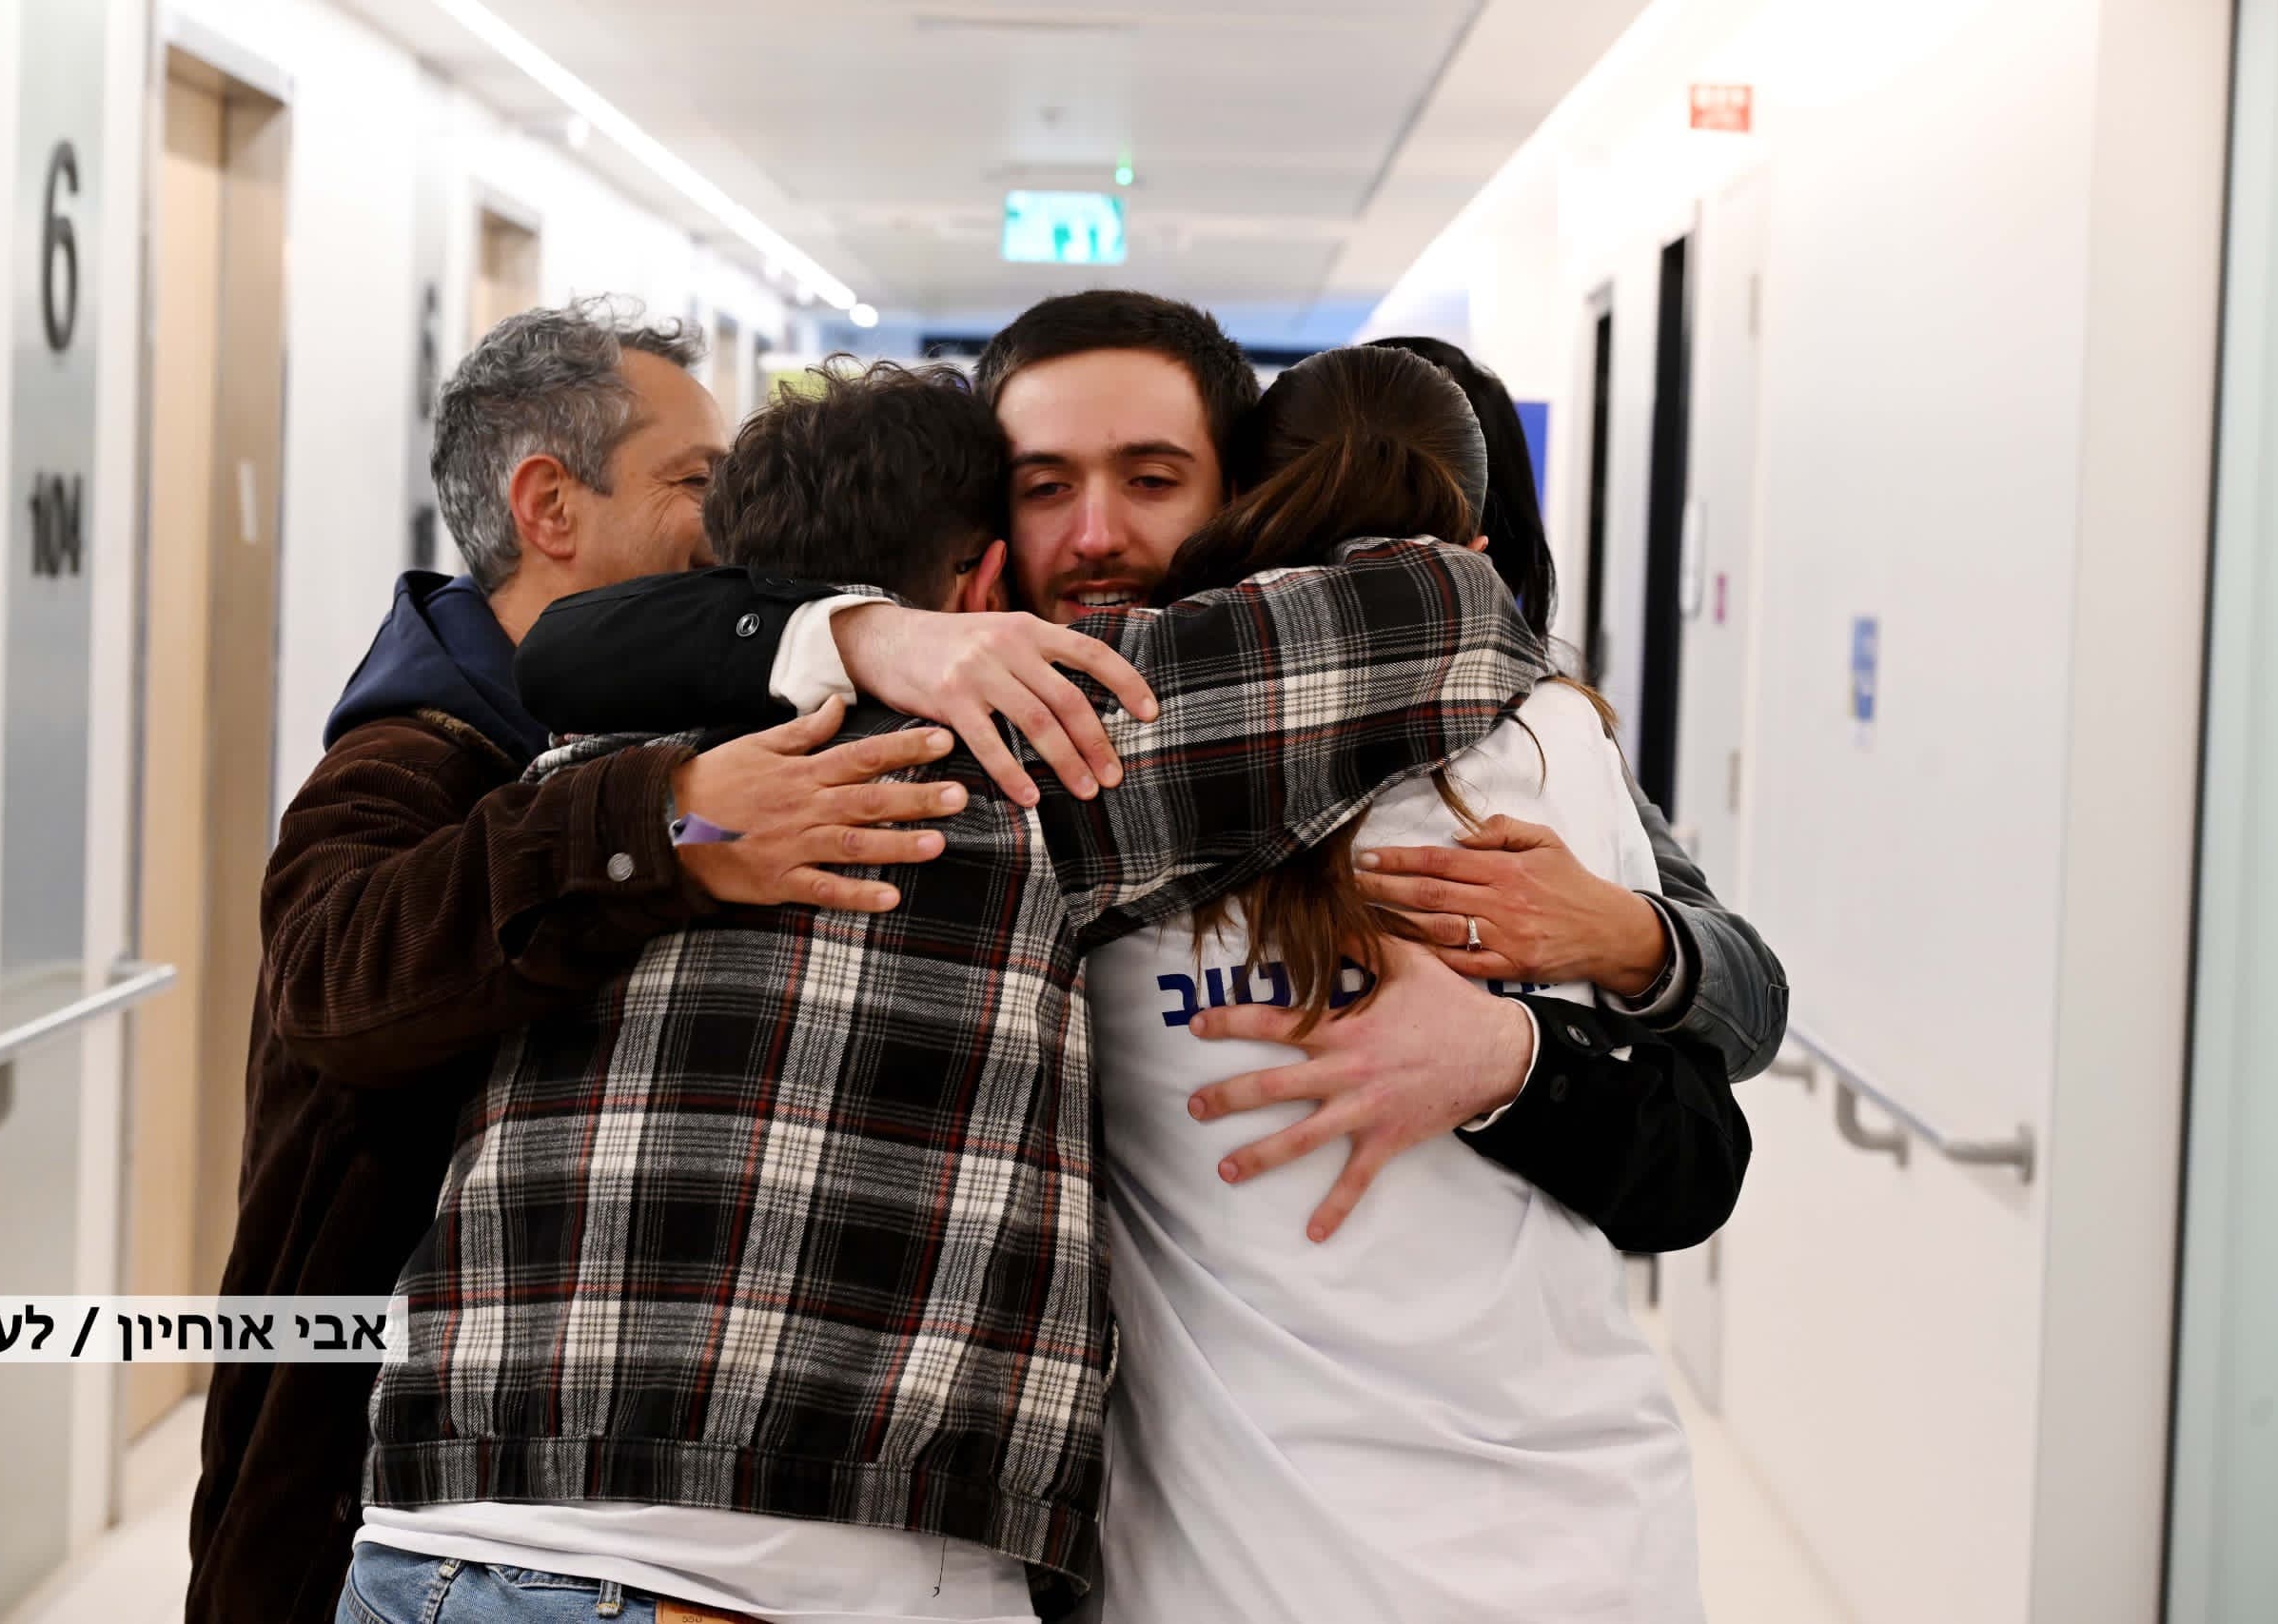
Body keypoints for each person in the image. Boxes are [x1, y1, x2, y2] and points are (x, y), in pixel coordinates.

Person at [343, 360, 1565, 1624]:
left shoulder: (573, 777)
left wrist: (835, 632)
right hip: (756, 1574)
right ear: (987, 585)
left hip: (428, 1536)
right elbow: (1448, 613)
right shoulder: (1003, 759)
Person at [187, 302, 1140, 1624]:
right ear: (549, 504)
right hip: (391, 1501)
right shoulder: (421, 750)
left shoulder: (683, 715)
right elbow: (340, 980)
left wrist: (840, 640)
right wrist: (677, 821)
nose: (729, 523)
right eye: (694, 480)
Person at [519, 291, 1779, 1245]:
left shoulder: (1463, 722)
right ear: (984, 524)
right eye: (1046, 484)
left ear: (1244, 495)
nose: (1100, 531)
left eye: (1154, 478)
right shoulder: (923, 744)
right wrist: (857, 639)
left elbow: (1714, 1096)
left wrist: (1611, 955)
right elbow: (568, 654)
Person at [1085, 344, 1717, 1621]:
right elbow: (1712, 1109)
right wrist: (1525, 1045)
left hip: (1244, 1560)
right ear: (1472, 544)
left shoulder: (1100, 753)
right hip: (1587, 1542)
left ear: (1238, 511)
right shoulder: (1561, 737)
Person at [1341, 333, 1790, 1087]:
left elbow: (1754, 1005)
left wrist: (1619, 933)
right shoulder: (1183, 723)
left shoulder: (1554, 729)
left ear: (1484, 554)